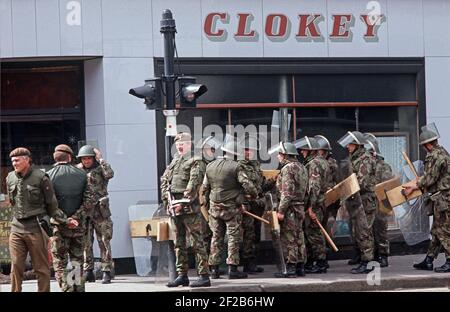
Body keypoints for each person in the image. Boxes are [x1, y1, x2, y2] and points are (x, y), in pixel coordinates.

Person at [6, 147, 77, 292]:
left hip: (36, 227)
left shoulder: (41, 177)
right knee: (16, 267)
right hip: (17, 227)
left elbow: (52, 205)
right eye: (12, 161)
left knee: (41, 268)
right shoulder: (10, 178)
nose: (14, 163)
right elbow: (13, 202)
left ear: (27, 160)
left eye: (17, 160)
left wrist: (65, 220)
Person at [202, 138, 258, 279]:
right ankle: (232, 269)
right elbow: (248, 185)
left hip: (214, 208)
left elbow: (204, 189)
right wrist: (253, 195)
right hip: (231, 208)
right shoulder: (235, 166)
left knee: (216, 237)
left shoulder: (210, 166)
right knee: (233, 237)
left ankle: (214, 269)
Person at [161, 133, 211, 288]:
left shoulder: (196, 160)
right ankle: (182, 275)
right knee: (179, 242)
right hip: (174, 207)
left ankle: (204, 275)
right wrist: (167, 201)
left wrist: (181, 204)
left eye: (183, 143)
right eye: (178, 144)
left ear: (190, 144)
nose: (180, 146)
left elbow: (194, 184)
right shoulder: (175, 161)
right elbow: (164, 180)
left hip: (188, 208)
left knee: (197, 242)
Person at [47, 144, 95, 292]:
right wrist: (75, 218)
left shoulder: (48, 176)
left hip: (58, 227)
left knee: (60, 263)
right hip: (78, 226)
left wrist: (64, 219)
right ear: (69, 157)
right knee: (77, 261)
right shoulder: (82, 175)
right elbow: (89, 201)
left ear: (55, 157)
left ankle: (67, 289)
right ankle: (78, 289)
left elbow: (48, 204)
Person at [403, 124, 450, 273]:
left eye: (424, 145)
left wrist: (413, 187)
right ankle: (429, 260)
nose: (424, 148)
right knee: (436, 231)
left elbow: (430, 178)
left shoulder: (435, 156)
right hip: (443, 198)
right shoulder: (442, 152)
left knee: (444, 231)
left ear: (428, 145)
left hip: (443, 199)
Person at [337, 131, 375, 274]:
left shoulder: (364, 159)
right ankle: (364, 260)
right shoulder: (356, 159)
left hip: (365, 201)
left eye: (350, 144)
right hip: (358, 200)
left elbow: (362, 182)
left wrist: (346, 187)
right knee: (359, 232)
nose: (348, 147)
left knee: (364, 232)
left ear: (357, 145)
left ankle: (368, 263)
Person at [76, 145, 114, 284]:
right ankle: (88, 271)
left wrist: (101, 158)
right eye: (84, 158)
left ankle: (106, 271)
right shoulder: (78, 170)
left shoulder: (100, 169)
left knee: (104, 240)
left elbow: (110, 174)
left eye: (89, 158)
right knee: (86, 243)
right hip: (85, 211)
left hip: (100, 211)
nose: (86, 161)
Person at [238, 135, 274, 274]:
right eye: (246, 150)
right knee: (249, 234)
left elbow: (261, 186)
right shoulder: (240, 165)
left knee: (256, 233)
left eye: (251, 150)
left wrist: (272, 182)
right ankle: (248, 263)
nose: (249, 152)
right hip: (247, 204)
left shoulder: (256, 165)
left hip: (258, 204)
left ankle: (254, 261)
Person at [271, 142, 309, 277]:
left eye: (279, 154)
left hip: (290, 209)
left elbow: (287, 193)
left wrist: (281, 211)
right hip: (299, 207)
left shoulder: (288, 169)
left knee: (289, 238)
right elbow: (307, 191)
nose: (278, 156)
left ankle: (291, 268)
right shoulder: (302, 167)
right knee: (299, 237)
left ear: (285, 154)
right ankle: (300, 267)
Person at [295, 137, 329, 274]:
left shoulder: (314, 164)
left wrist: (310, 207)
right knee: (313, 233)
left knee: (314, 233)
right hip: (319, 203)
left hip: (314, 204)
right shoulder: (321, 161)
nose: (302, 152)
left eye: (304, 150)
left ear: (310, 151)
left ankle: (321, 263)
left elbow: (314, 187)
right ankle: (313, 262)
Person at [364, 133, 394, 267]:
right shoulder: (366, 167)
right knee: (370, 230)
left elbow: (388, 185)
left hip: (382, 202)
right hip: (370, 203)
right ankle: (374, 254)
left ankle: (383, 255)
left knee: (381, 229)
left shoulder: (383, 166)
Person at [315, 135, 339, 236]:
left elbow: (337, 182)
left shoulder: (330, 163)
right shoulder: (321, 162)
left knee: (327, 225)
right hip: (322, 200)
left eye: (318, 150)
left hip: (329, 200)